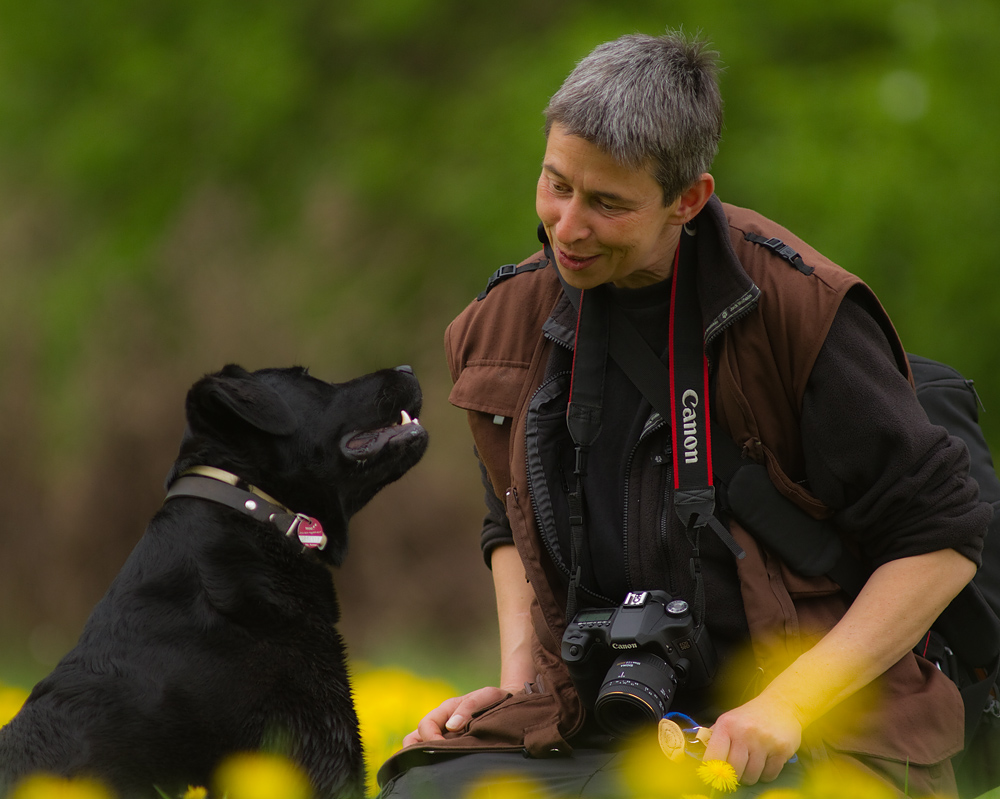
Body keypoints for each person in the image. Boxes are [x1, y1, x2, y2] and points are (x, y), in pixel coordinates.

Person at [377, 30, 990, 799]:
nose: (567, 226)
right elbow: (510, 523)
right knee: (419, 790)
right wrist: (520, 688)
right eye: (556, 184)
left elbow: (942, 539)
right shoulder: (499, 324)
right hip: (605, 727)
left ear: (688, 200)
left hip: (825, 733)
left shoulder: (800, 309)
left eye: (607, 203)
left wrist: (787, 707)